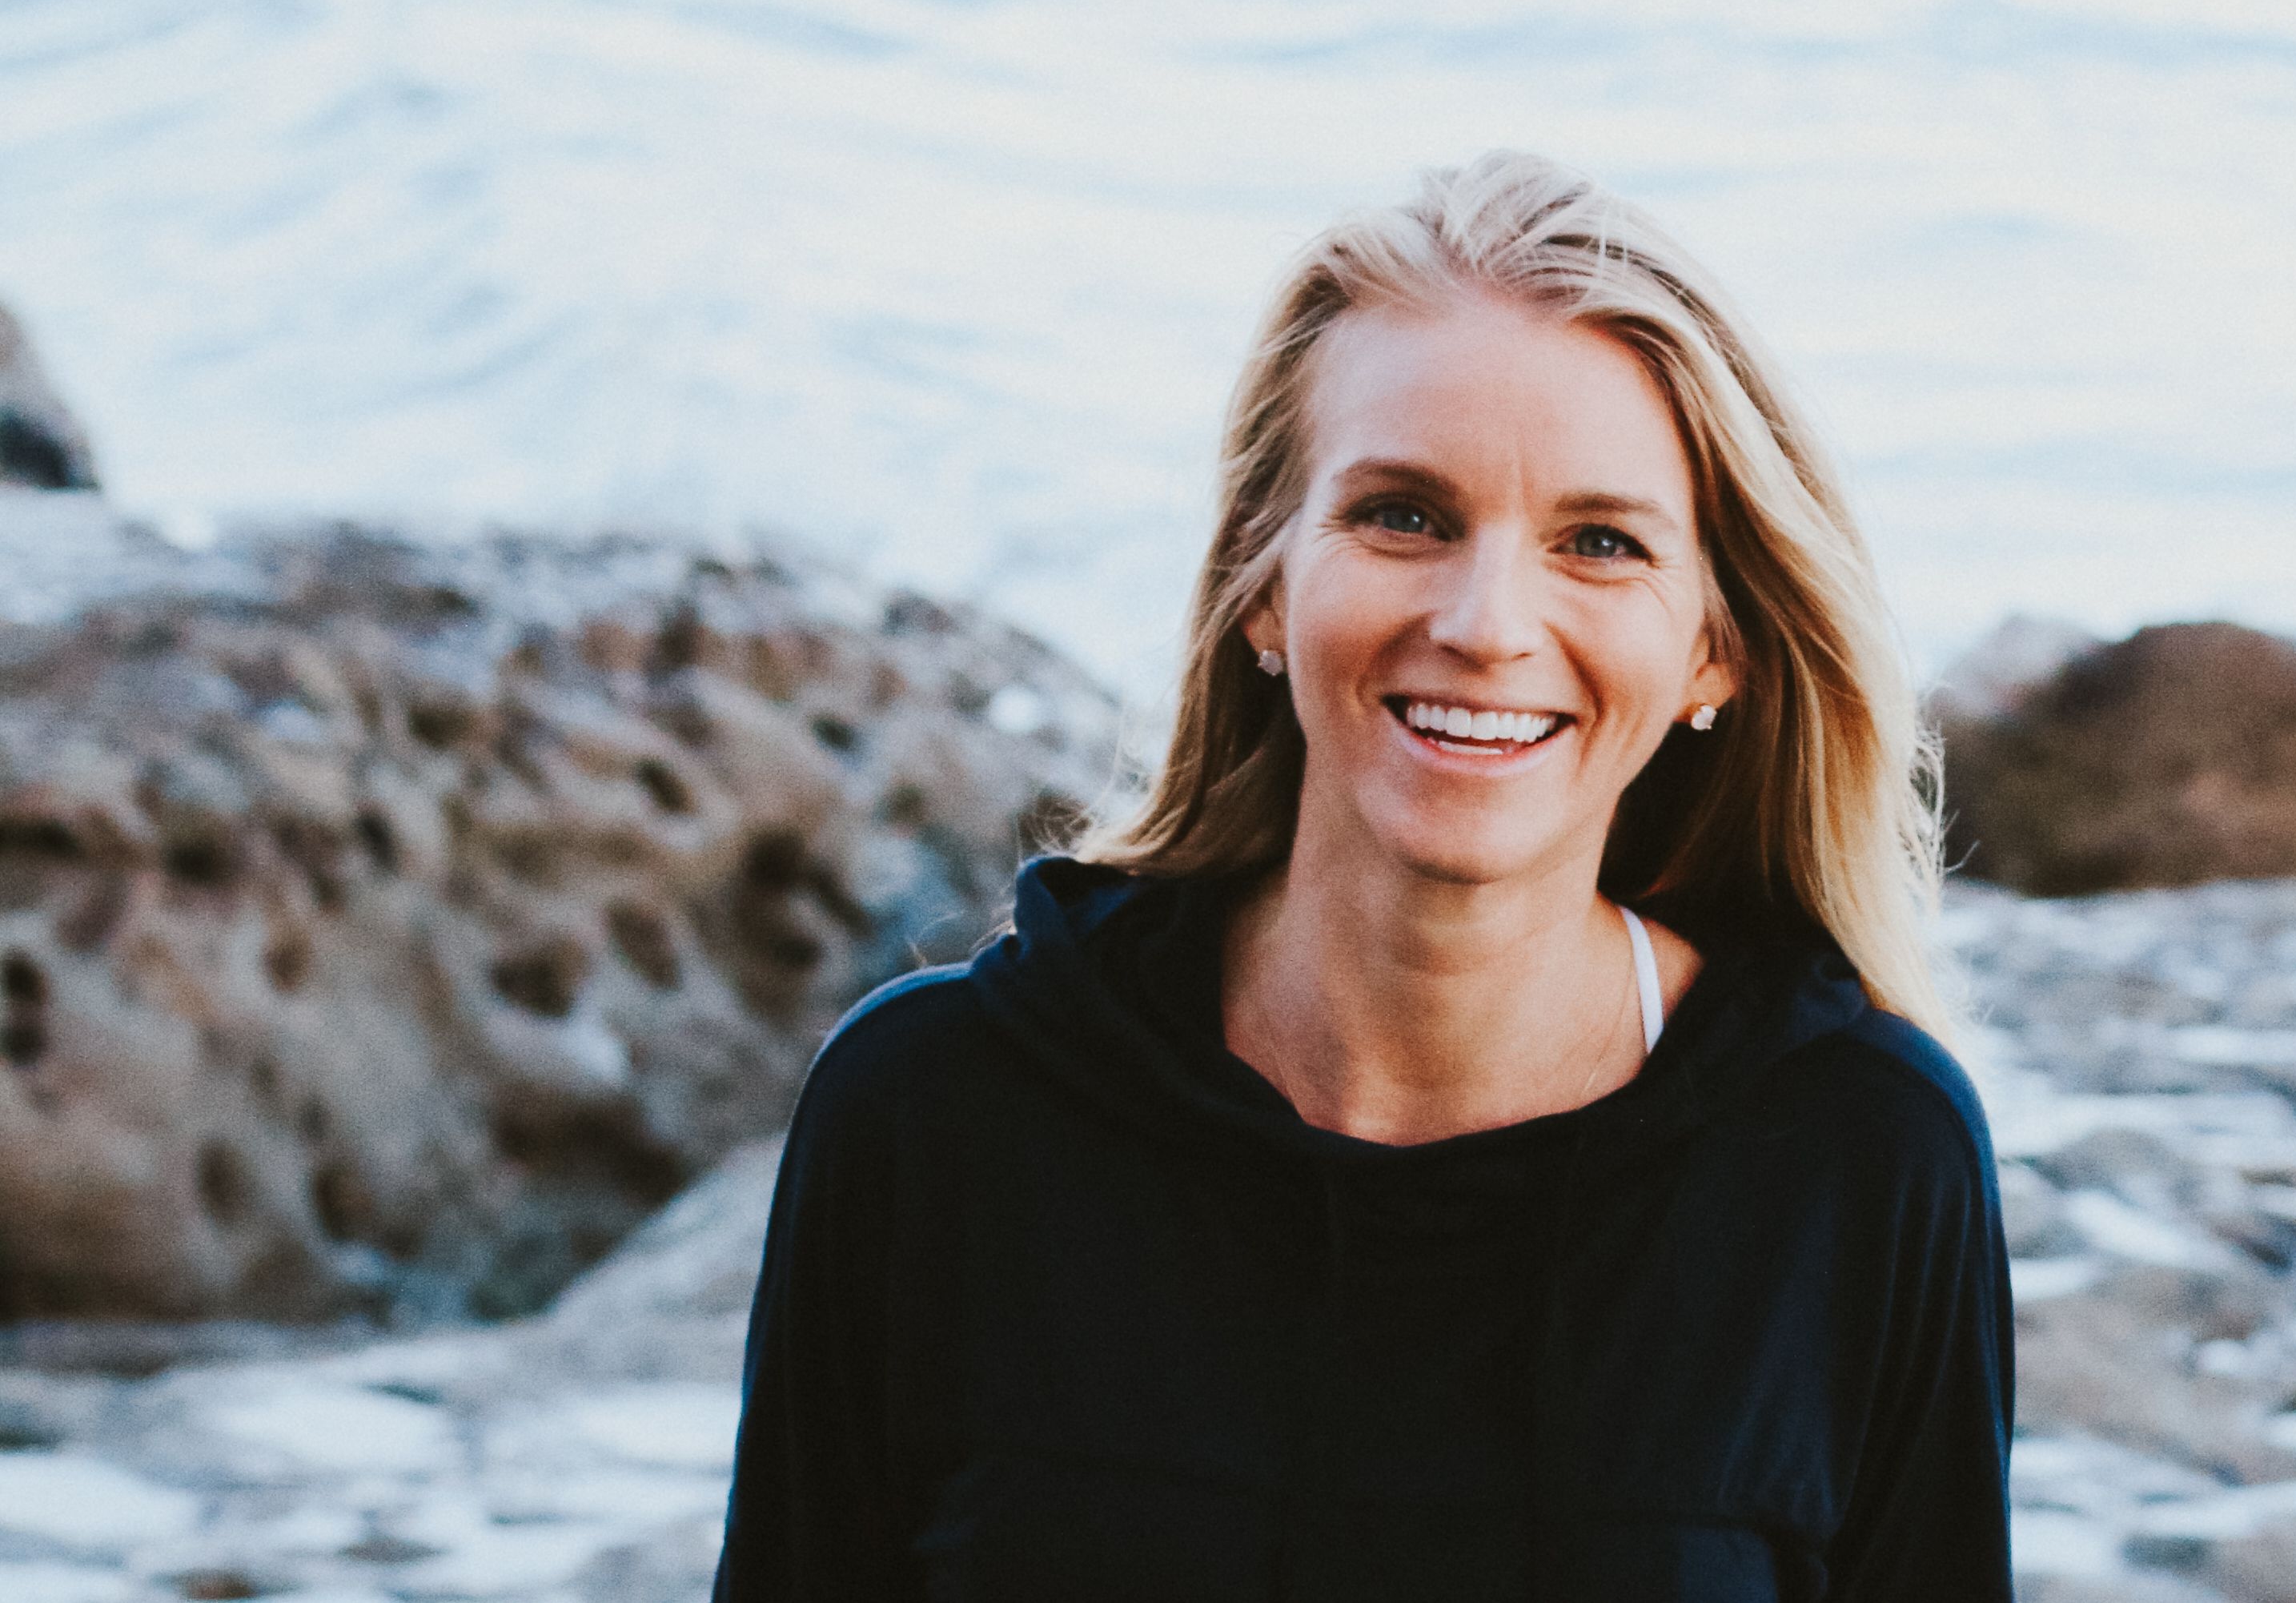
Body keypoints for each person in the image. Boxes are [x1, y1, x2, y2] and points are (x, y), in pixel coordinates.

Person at [713, 151, 2013, 1601]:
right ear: (1263, 584)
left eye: (1599, 543)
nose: (1488, 623)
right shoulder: (936, 1113)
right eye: (1404, 515)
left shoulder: (1856, 1159)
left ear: (1717, 650)